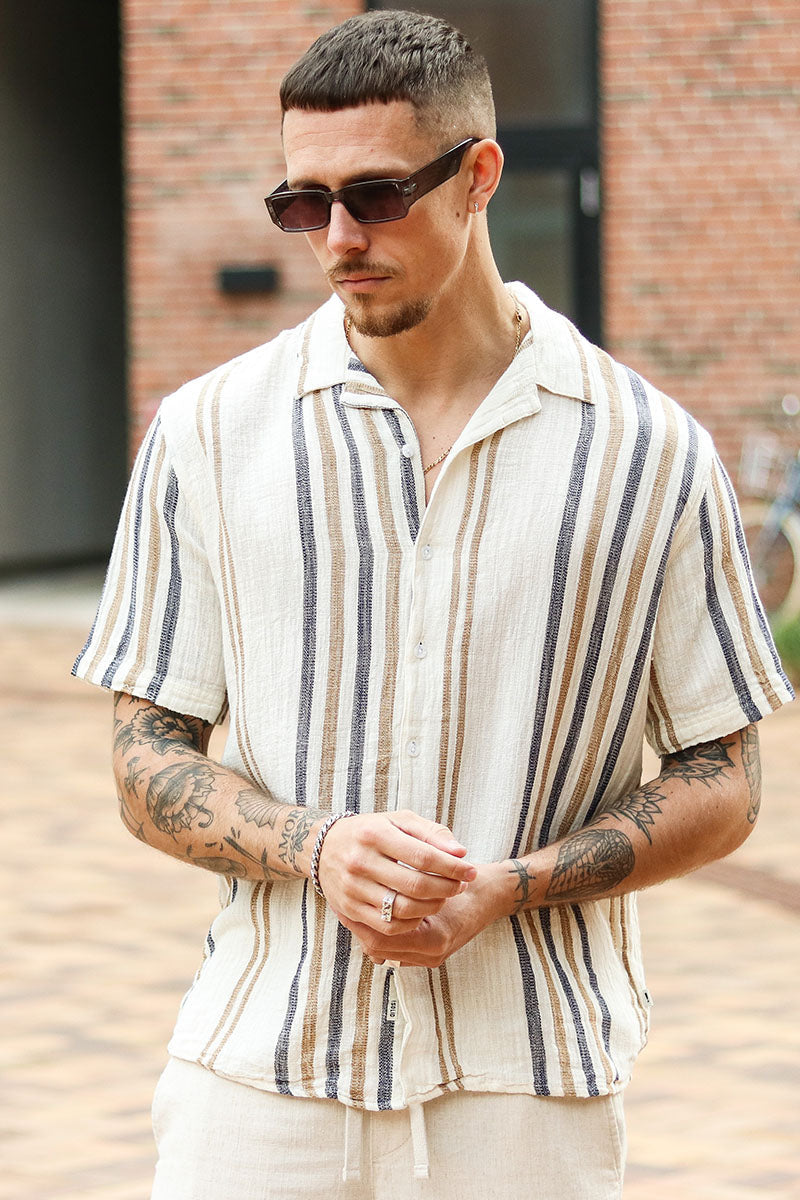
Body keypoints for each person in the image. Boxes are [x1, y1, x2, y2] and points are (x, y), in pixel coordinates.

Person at [73, 9, 793, 1199]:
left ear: (477, 177)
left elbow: (724, 781)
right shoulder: (207, 434)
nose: (337, 238)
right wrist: (315, 847)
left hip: (525, 1093)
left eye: (375, 194)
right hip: (259, 1085)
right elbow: (144, 757)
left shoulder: (648, 453)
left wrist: (509, 885)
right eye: (302, 204)